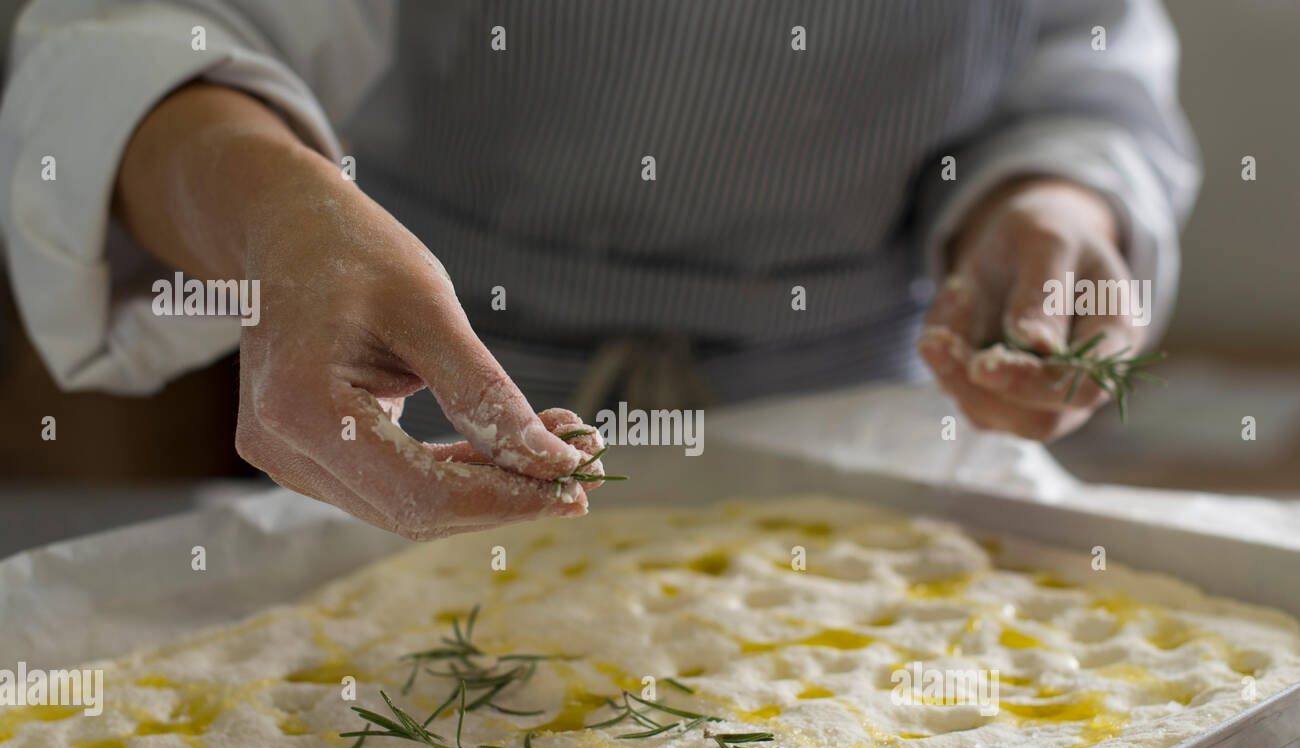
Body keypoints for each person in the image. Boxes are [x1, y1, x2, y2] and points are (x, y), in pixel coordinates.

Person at [0, 1, 1199, 540]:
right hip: (419, 419)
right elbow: (149, 34)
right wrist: (275, 217)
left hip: (874, 437)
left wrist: (1052, 199)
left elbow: (1083, 69)